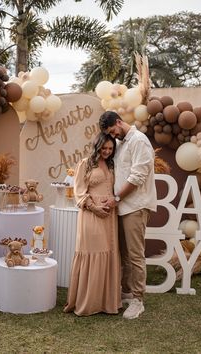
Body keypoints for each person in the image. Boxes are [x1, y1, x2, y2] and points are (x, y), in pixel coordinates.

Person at [99, 111, 157, 320]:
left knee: (135, 255)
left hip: (136, 206)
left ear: (118, 122)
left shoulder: (139, 141)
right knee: (123, 254)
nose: (113, 136)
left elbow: (137, 176)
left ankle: (138, 300)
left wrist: (116, 198)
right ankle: (126, 293)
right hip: (122, 206)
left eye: (113, 131)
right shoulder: (121, 142)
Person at [63, 132, 122, 316]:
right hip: (91, 214)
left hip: (110, 216)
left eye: (110, 149)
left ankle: (106, 302)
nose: (107, 151)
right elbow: (79, 191)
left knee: (108, 252)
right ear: (97, 146)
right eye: (104, 148)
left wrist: (114, 201)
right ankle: (88, 303)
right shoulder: (85, 163)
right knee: (92, 252)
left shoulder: (113, 164)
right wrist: (94, 207)